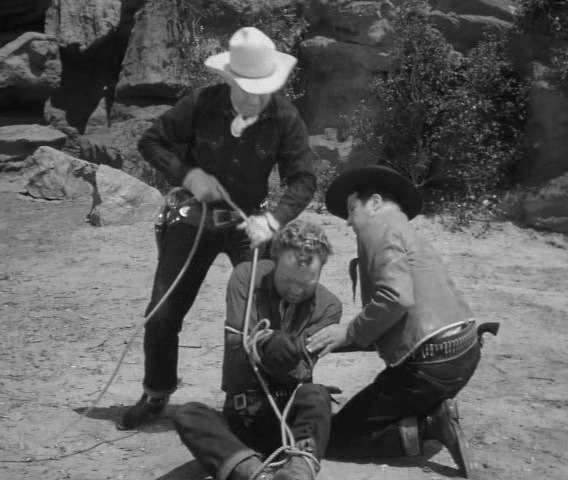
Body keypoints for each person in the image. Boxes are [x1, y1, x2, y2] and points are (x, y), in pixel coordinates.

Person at [117, 26, 317, 430]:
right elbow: (151, 141)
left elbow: (303, 179)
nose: (255, 98)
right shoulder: (201, 104)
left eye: (263, 90)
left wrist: (273, 220)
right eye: (246, 89)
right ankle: (157, 393)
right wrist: (188, 175)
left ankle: (254, 399)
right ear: (229, 80)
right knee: (162, 312)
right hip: (193, 220)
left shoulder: (284, 116)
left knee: (259, 315)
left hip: (250, 224)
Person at [306, 165, 492, 479]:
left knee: (335, 438)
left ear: (375, 203)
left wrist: (349, 331)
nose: (349, 220)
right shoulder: (405, 230)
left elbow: (396, 297)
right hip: (464, 354)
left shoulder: (378, 227)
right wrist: (345, 339)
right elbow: (402, 315)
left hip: (429, 366)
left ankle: (431, 426)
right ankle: (432, 413)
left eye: (352, 209)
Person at [174, 220, 342, 480]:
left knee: (317, 395)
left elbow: (302, 369)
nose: (296, 290)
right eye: (287, 280)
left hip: (290, 420)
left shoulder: (329, 306)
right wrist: (268, 344)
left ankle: (298, 472)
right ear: (274, 260)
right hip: (243, 416)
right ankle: (255, 474)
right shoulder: (247, 277)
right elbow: (238, 348)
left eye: (307, 282)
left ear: (321, 272)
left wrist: (283, 354)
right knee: (188, 414)